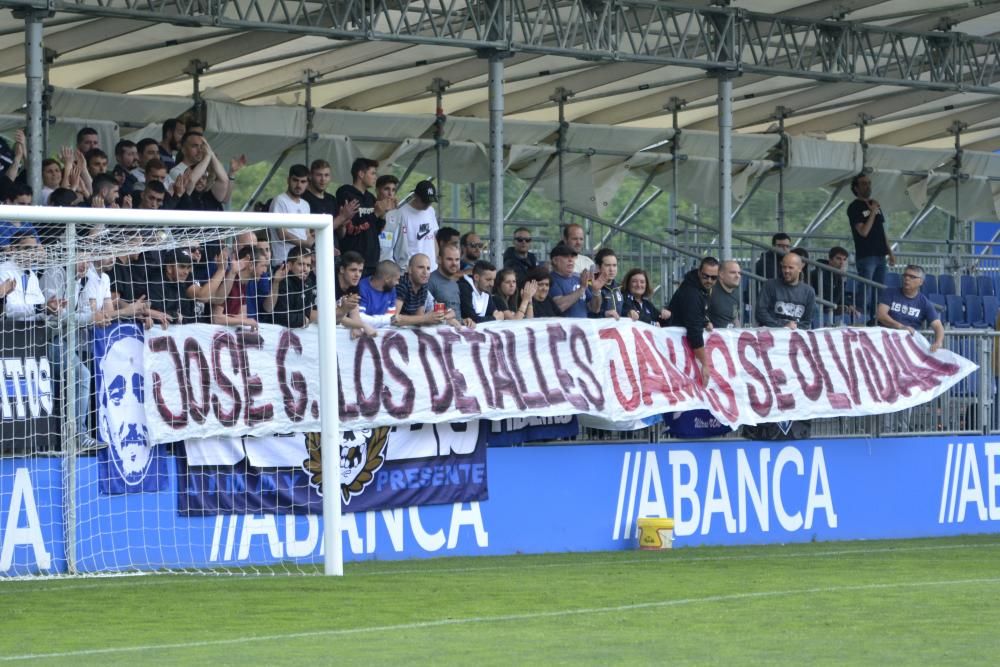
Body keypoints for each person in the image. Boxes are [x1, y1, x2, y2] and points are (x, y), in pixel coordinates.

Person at [848, 173, 895, 325]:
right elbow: (863, 231)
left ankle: (876, 318)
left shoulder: (875, 204)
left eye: (869, 183)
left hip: (880, 254)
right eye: (863, 183)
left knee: (879, 288)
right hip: (866, 254)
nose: (867, 186)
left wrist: (890, 252)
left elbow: (881, 231)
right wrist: (873, 212)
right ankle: (859, 315)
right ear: (856, 187)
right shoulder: (854, 207)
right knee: (866, 287)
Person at [665, 257, 718, 386]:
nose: (709, 281)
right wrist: (704, 364)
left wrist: (704, 321)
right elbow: (694, 330)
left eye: (713, 278)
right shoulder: (692, 293)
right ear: (699, 272)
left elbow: (695, 315)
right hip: (675, 346)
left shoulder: (699, 288)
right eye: (706, 276)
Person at [337, 157, 392, 276]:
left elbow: (375, 229)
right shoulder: (346, 193)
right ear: (361, 174)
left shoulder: (370, 198)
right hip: (353, 260)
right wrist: (375, 214)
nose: (375, 177)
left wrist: (382, 214)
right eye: (372, 173)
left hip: (372, 259)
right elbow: (352, 228)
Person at [877, 265, 944, 352]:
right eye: (905, 275)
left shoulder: (924, 303)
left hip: (907, 347)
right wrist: (901, 327)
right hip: (885, 341)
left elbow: (938, 326)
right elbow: (881, 315)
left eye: (912, 277)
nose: (907, 279)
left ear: (921, 282)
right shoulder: (890, 293)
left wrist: (938, 342)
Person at [756, 252, 815, 329]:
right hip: (771, 335)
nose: (786, 271)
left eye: (790, 267)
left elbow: (807, 322)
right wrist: (782, 327)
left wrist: (793, 327)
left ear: (800, 268)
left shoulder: (809, 292)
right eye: (784, 267)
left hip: (795, 336)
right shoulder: (769, 285)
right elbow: (760, 313)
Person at [394, 253, 455, 326]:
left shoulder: (423, 286)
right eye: (421, 267)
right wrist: (426, 318)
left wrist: (445, 315)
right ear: (409, 269)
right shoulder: (402, 284)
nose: (425, 272)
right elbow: (394, 319)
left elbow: (419, 318)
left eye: (428, 268)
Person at [269, 164, 313, 266]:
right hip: (283, 262)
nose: (299, 185)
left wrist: (321, 245)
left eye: (303, 181)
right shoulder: (279, 200)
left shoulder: (305, 205)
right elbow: (282, 234)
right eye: (295, 180)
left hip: (303, 263)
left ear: (307, 184)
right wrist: (309, 244)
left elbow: (307, 234)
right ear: (288, 180)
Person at [269, 247, 317, 329]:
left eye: (308, 265)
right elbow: (281, 316)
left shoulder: (308, 282)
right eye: (301, 264)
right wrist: (302, 320)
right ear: (290, 265)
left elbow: (307, 313)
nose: (305, 269)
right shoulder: (282, 281)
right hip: (274, 331)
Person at [398, 180, 440, 271]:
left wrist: (436, 260)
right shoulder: (402, 214)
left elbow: (432, 237)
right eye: (425, 201)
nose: (428, 204)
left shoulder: (431, 211)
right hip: (412, 270)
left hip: (432, 268)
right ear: (415, 196)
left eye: (430, 201)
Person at [811, 246, 858, 327]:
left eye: (844, 259)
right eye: (838, 259)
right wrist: (842, 278)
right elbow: (830, 299)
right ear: (830, 259)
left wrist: (848, 305)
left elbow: (839, 296)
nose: (842, 262)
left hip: (827, 308)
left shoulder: (837, 274)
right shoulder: (820, 273)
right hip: (818, 307)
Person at [548, 242, 596, 319]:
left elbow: (594, 308)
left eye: (573, 256)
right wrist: (582, 289)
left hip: (583, 328)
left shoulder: (578, 278)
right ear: (555, 260)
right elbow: (559, 307)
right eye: (566, 256)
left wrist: (596, 291)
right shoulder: (550, 280)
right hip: (564, 329)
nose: (570, 260)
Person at [428, 244, 464, 319]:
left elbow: (456, 313)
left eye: (457, 259)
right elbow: (425, 314)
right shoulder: (430, 281)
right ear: (439, 260)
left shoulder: (454, 283)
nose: (454, 263)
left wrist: (464, 321)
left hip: (458, 328)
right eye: (449, 259)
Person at [708, 259, 742, 329]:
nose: (737, 276)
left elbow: (735, 318)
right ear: (721, 274)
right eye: (733, 272)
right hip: (710, 337)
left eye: (739, 273)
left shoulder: (736, 293)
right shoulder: (709, 290)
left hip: (729, 337)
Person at [589, 248, 622, 318]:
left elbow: (624, 310)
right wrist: (604, 314)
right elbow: (589, 312)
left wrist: (630, 311)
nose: (612, 269)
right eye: (607, 265)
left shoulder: (620, 287)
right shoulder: (589, 286)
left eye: (614, 265)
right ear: (598, 267)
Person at [375, 175, 401, 262]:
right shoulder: (369, 210)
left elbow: (400, 244)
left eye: (393, 190)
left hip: (388, 266)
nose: (390, 194)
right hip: (370, 263)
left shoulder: (398, 214)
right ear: (377, 190)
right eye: (386, 189)